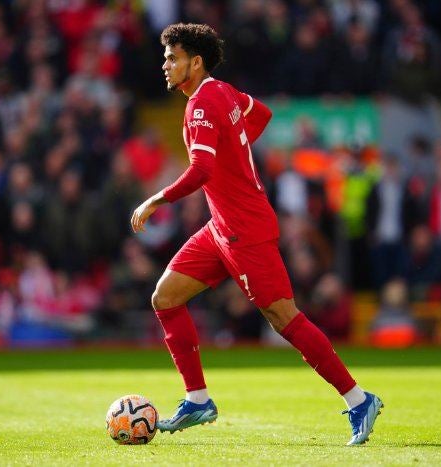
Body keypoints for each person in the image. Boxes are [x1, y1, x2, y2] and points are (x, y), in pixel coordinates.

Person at [130, 23, 382, 445]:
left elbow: (203, 170)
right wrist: (235, 148)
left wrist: (155, 199)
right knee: (165, 297)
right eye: (165, 57)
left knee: (285, 319)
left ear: (195, 61)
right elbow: (261, 115)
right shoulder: (223, 92)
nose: (165, 64)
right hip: (222, 228)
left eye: (172, 57)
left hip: (244, 232)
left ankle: (359, 400)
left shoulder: (201, 105)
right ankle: (197, 399)